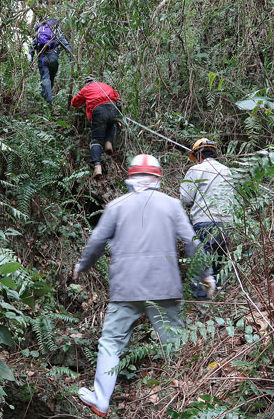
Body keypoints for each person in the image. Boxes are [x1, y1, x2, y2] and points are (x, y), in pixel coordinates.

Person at [73, 154, 197, 417]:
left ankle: (101, 399)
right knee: (175, 344)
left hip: (126, 288)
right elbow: (190, 241)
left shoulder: (117, 206)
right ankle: (189, 398)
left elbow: (96, 242)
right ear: (157, 178)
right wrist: (202, 273)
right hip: (165, 287)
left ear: (130, 178)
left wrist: (82, 266)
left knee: (111, 344)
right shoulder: (172, 205)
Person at [180, 139, 235, 299]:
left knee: (201, 266)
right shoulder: (227, 171)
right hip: (226, 224)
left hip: (204, 222)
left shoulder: (196, 169)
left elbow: (186, 198)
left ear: (198, 155)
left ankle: (202, 304)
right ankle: (218, 300)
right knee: (217, 266)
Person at [71, 77, 119, 179]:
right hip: (113, 108)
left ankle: (97, 167)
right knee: (111, 124)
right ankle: (108, 143)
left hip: (99, 111)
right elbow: (116, 96)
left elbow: (75, 102)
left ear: (87, 84)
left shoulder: (86, 89)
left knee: (96, 140)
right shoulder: (105, 85)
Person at [30, 17, 73, 102]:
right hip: (53, 57)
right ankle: (46, 98)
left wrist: (30, 61)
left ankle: (48, 101)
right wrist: (71, 58)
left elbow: (32, 47)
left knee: (45, 78)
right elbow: (65, 45)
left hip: (42, 58)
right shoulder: (56, 32)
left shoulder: (38, 32)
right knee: (51, 79)